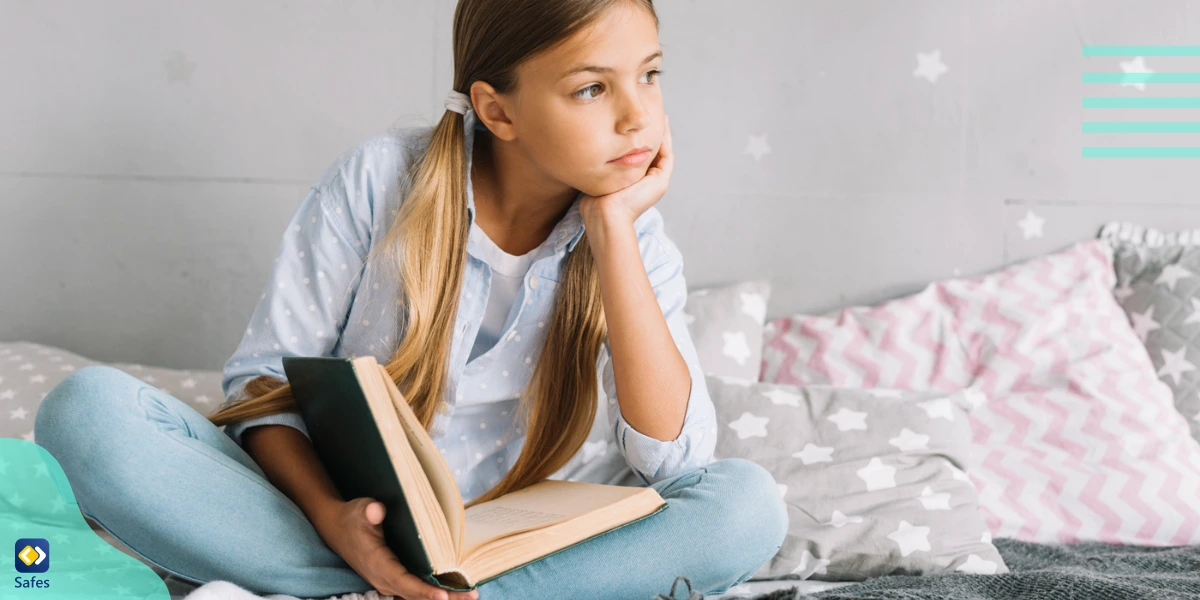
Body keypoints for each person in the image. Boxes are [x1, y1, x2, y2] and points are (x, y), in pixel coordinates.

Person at [33, 1, 787, 598]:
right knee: (86, 411)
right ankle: (371, 581)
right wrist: (332, 519)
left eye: (649, 75)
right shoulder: (379, 181)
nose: (637, 115)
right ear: (498, 112)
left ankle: (443, 596)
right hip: (335, 521)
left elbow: (676, 460)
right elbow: (263, 388)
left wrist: (613, 230)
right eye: (593, 87)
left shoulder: (636, 238)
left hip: (523, 543)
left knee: (747, 505)